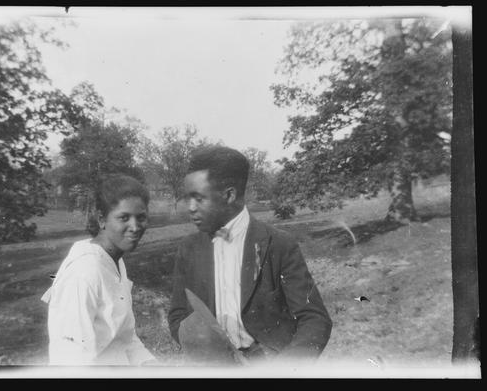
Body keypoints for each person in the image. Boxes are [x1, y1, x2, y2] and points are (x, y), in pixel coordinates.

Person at [168, 146, 332, 365]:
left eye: (198, 198)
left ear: (229, 195)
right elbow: (178, 316)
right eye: (188, 198)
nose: (190, 207)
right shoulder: (188, 249)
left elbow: (315, 318)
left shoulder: (279, 244)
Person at [41, 174, 157, 366]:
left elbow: (124, 339)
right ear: (102, 219)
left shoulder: (114, 261)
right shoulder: (84, 272)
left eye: (141, 217)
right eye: (124, 217)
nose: (135, 227)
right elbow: (71, 360)